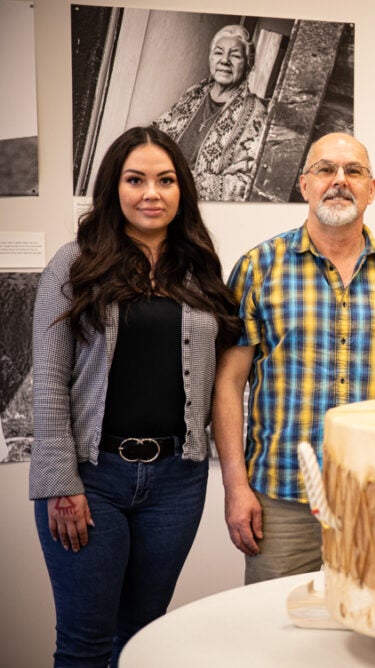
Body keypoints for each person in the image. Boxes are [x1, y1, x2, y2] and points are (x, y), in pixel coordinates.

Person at [30, 126, 241, 666]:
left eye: (165, 180)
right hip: (92, 478)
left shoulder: (199, 268)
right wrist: (60, 483)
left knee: (144, 637)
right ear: (113, 187)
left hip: (176, 482)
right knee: (84, 644)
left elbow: (223, 371)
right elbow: (49, 382)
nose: (152, 193)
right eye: (136, 180)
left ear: (181, 189)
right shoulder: (73, 264)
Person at [212, 132, 375, 584]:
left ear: (371, 189)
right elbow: (228, 384)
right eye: (325, 169)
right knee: (277, 623)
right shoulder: (258, 267)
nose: (339, 180)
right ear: (304, 185)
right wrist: (234, 486)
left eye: (354, 171)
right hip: (282, 496)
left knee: (372, 621)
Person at [155, 24, 267, 201]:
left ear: (248, 65)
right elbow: (159, 129)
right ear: (210, 58)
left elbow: (246, 183)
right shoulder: (194, 93)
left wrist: (187, 182)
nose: (225, 60)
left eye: (235, 55)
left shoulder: (256, 113)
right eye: (218, 52)